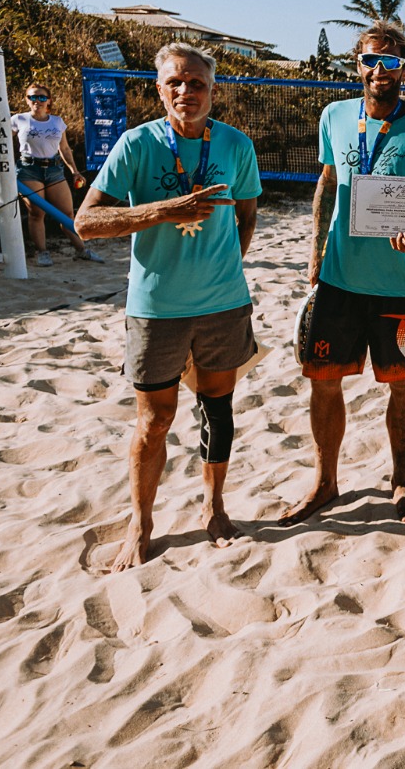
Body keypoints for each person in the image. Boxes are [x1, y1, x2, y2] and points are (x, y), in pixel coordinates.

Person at [75, 43, 261, 570]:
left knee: (217, 409)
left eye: (196, 83)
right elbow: (86, 223)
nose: (186, 92)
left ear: (212, 90)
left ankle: (214, 507)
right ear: (159, 90)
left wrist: (222, 266)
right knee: (153, 422)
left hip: (223, 303)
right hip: (155, 307)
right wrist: (163, 210)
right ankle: (141, 524)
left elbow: (246, 217)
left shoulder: (235, 144)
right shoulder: (136, 145)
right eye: (175, 82)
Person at [284, 21, 405, 525]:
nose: (380, 69)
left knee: (402, 384)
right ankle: (326, 481)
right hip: (339, 276)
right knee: (324, 381)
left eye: (392, 61)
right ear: (357, 65)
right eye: (370, 60)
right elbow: (328, 184)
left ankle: (401, 479)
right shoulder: (335, 116)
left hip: (399, 280)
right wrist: (314, 253)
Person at [11, 81, 102, 265]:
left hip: (54, 170)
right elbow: (1, 143)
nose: (37, 101)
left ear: (49, 100)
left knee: (66, 213)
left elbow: (65, 149)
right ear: (27, 99)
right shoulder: (18, 119)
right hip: (29, 169)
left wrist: (74, 171)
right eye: (33, 97)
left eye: (42, 97)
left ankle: (81, 250)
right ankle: (42, 252)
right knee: (36, 213)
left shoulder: (57, 122)